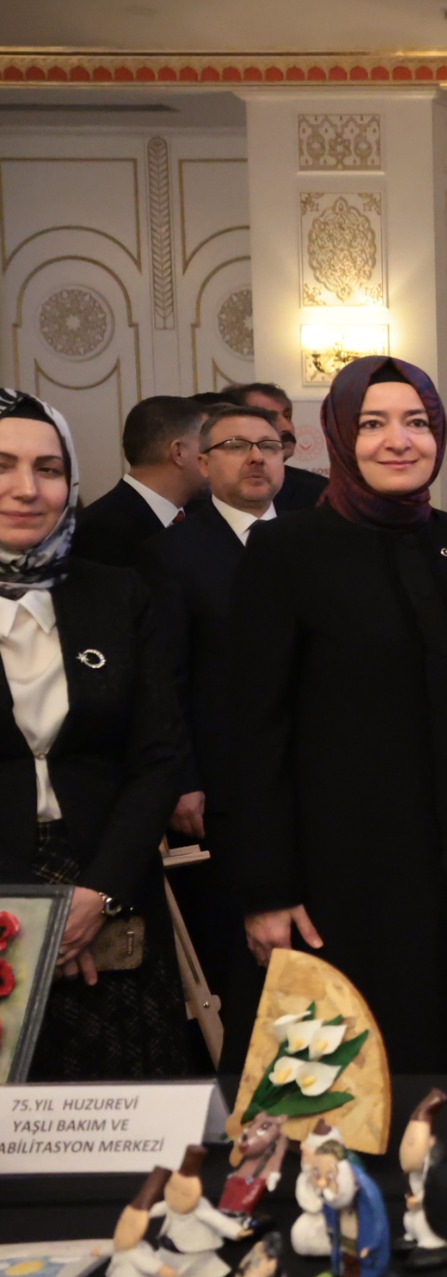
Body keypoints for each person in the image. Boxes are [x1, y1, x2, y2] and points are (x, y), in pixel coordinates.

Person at [224, 357, 447, 1074]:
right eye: (373, 424)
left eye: (417, 422)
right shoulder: (288, 550)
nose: (399, 440)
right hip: (344, 870)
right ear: (339, 435)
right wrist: (266, 889)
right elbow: (252, 730)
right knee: (347, 1078)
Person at [0, 390, 194, 1080]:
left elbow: (158, 756)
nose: (28, 489)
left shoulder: (118, 594)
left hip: (114, 906)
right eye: (3, 466)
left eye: (49, 469)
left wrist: (98, 895)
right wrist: (26, 915)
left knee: (127, 1120)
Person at [158, 406, 282, 991]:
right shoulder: (173, 552)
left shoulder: (312, 538)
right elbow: (165, 675)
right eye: (236, 446)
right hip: (221, 783)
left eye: (269, 445)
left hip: (308, 774)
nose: (256, 457)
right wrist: (183, 776)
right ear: (204, 464)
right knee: (239, 960)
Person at [71, 395, 205, 574]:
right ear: (179, 452)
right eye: (207, 445)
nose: (213, 456)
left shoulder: (197, 517)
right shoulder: (96, 534)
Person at [221, 383, 328, 513]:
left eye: (287, 416)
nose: (287, 427)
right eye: (270, 417)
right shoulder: (211, 492)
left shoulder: (318, 493)